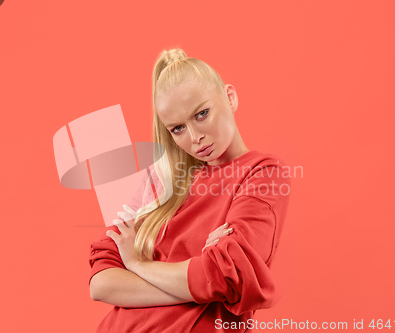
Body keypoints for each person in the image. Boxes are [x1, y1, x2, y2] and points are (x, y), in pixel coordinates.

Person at [88, 48, 291, 332]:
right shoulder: (160, 180)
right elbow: (101, 283)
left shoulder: (262, 172)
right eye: (177, 128)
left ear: (229, 97)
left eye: (202, 114)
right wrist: (195, 277)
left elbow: (224, 278)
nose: (196, 137)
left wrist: (137, 265)